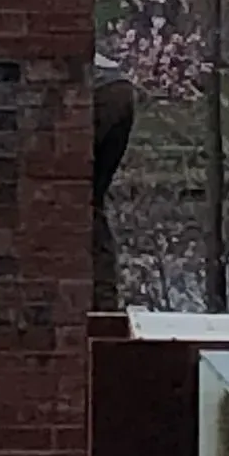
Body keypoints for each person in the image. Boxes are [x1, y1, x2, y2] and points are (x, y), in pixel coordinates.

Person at [91, 55, 136, 313]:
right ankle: (105, 304)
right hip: (114, 84)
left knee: (81, 202)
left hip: (100, 87)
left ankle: (102, 307)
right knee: (90, 202)